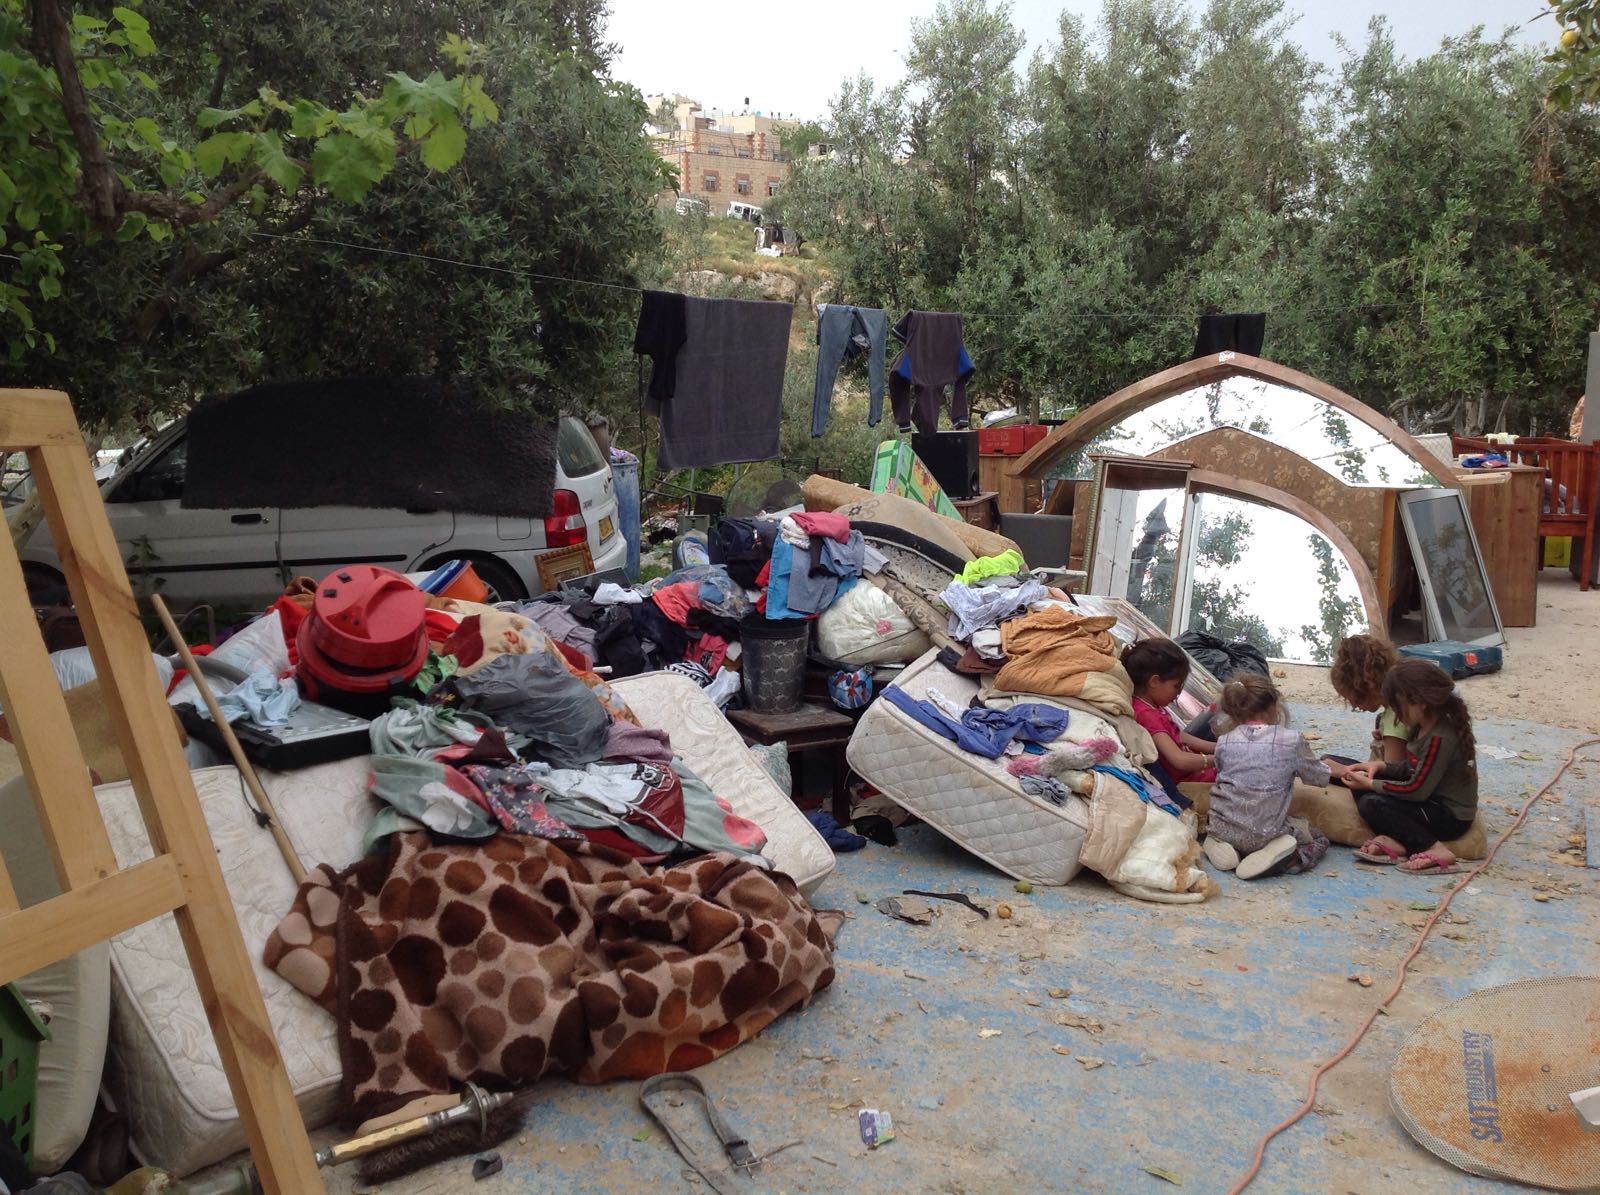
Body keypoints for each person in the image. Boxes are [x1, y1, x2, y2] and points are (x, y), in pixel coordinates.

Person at [1343, 659, 1478, 875]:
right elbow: (1413, 767)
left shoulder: (1440, 738)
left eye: (1398, 706)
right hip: (1429, 800)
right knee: (1361, 787)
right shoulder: (1421, 726)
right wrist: (1381, 767)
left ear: (1419, 702)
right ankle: (1399, 841)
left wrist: (1372, 784)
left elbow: (1416, 789)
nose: (1396, 713)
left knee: (1372, 802)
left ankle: (1433, 848)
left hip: (1449, 816)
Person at [1203, 673, 1331, 879]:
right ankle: (1289, 855)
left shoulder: (1224, 742)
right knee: (1317, 836)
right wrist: (1332, 769)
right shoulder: (1291, 740)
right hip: (1265, 833)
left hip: (1222, 828)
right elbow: (1319, 778)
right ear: (1273, 706)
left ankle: (1217, 844)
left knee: (1223, 826)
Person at [1125, 639, 1216, 793]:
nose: (1178, 693)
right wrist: (1219, 760)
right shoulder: (1146, 714)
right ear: (1154, 681)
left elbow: (1179, 736)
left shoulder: (1153, 707)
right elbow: (1179, 760)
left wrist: (1220, 748)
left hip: (1197, 775)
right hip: (1189, 784)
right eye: (1176, 686)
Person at [1323, 634, 1408, 783]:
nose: (1354, 705)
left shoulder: (1396, 716)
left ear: (1366, 686)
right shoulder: (1400, 698)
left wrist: (1345, 772)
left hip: (1405, 791)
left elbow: (1394, 777)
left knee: (1325, 768)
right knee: (1326, 762)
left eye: (1351, 698)